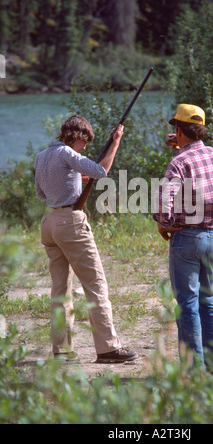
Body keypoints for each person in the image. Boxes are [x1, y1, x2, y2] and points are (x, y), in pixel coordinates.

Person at [34, 114, 138, 363]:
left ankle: (62, 351)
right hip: (70, 224)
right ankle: (108, 348)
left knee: (60, 290)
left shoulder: (42, 156)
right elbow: (101, 171)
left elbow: (41, 193)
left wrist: (72, 180)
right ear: (76, 136)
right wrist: (115, 142)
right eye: (84, 143)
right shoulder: (67, 154)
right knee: (96, 285)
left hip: (48, 224)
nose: (85, 147)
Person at [153, 104, 213, 372]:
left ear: (178, 130)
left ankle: (192, 371)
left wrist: (165, 224)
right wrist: (183, 148)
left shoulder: (179, 162)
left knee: (187, 304)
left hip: (188, 239)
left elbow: (163, 203)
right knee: (207, 300)